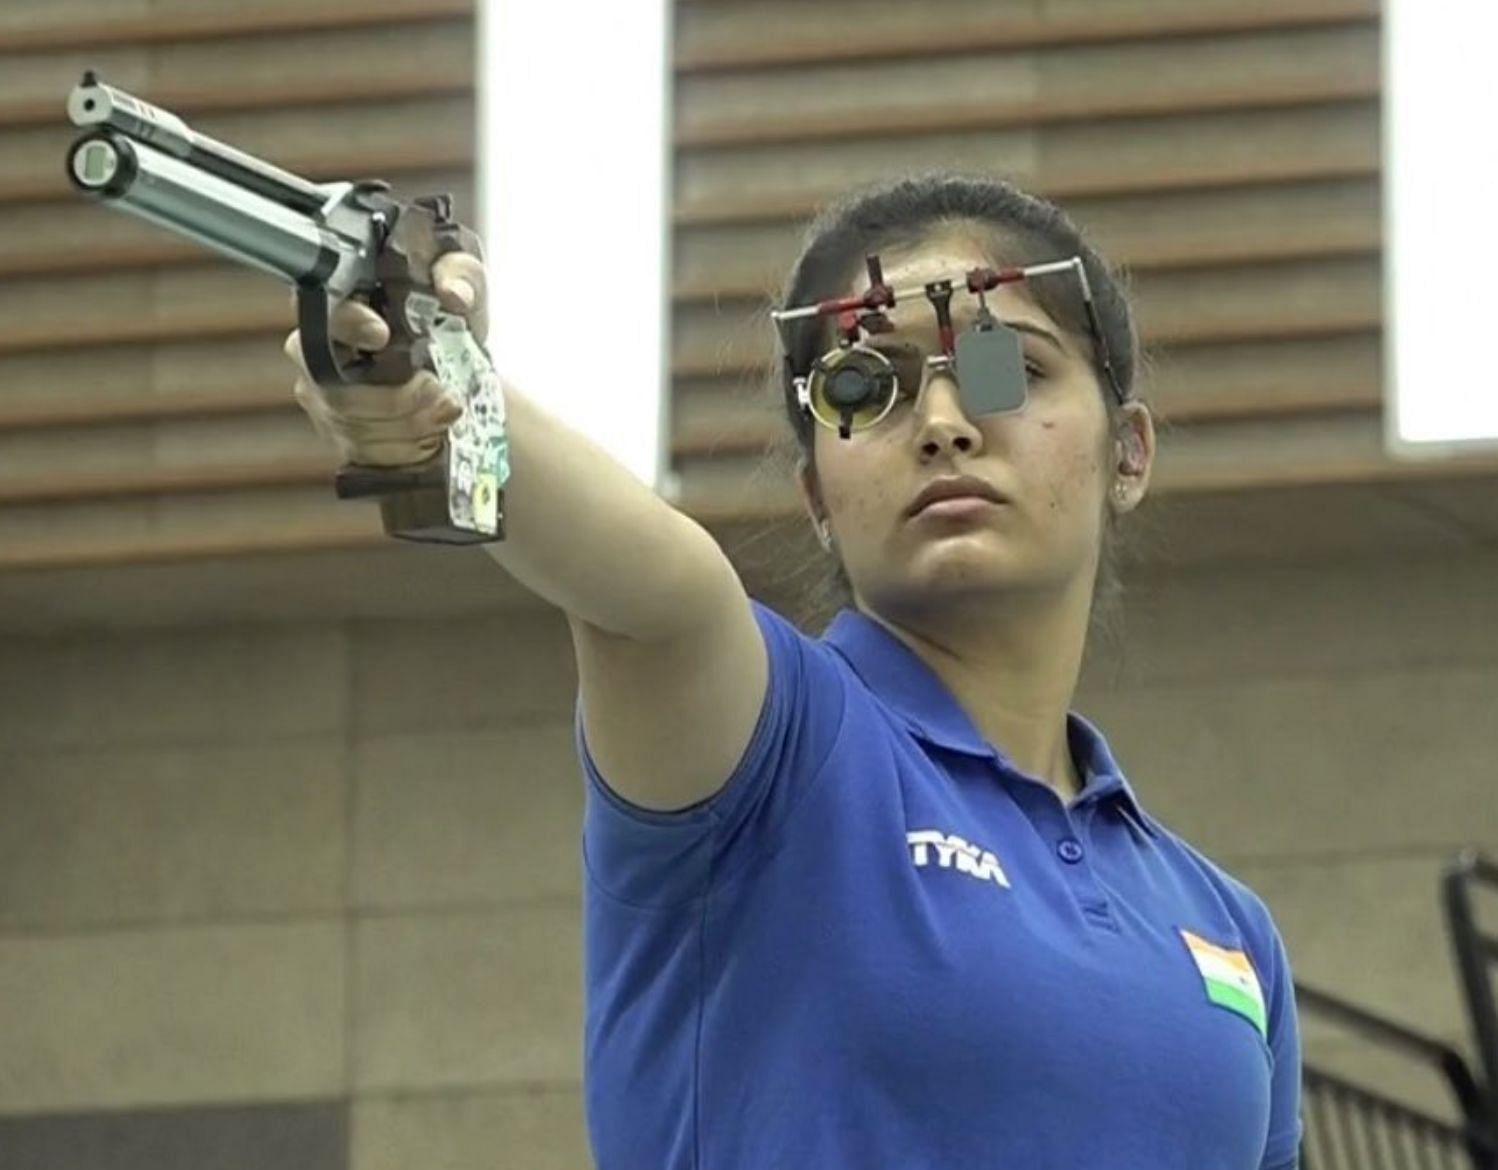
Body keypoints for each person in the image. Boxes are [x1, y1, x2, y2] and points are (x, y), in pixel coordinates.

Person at [284, 171, 1302, 1170]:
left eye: (1007, 370)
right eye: (867, 387)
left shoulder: (1226, 930)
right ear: (815, 492)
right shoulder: (774, 749)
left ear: (1129, 452)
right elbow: (659, 595)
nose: (944, 423)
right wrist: (433, 389)